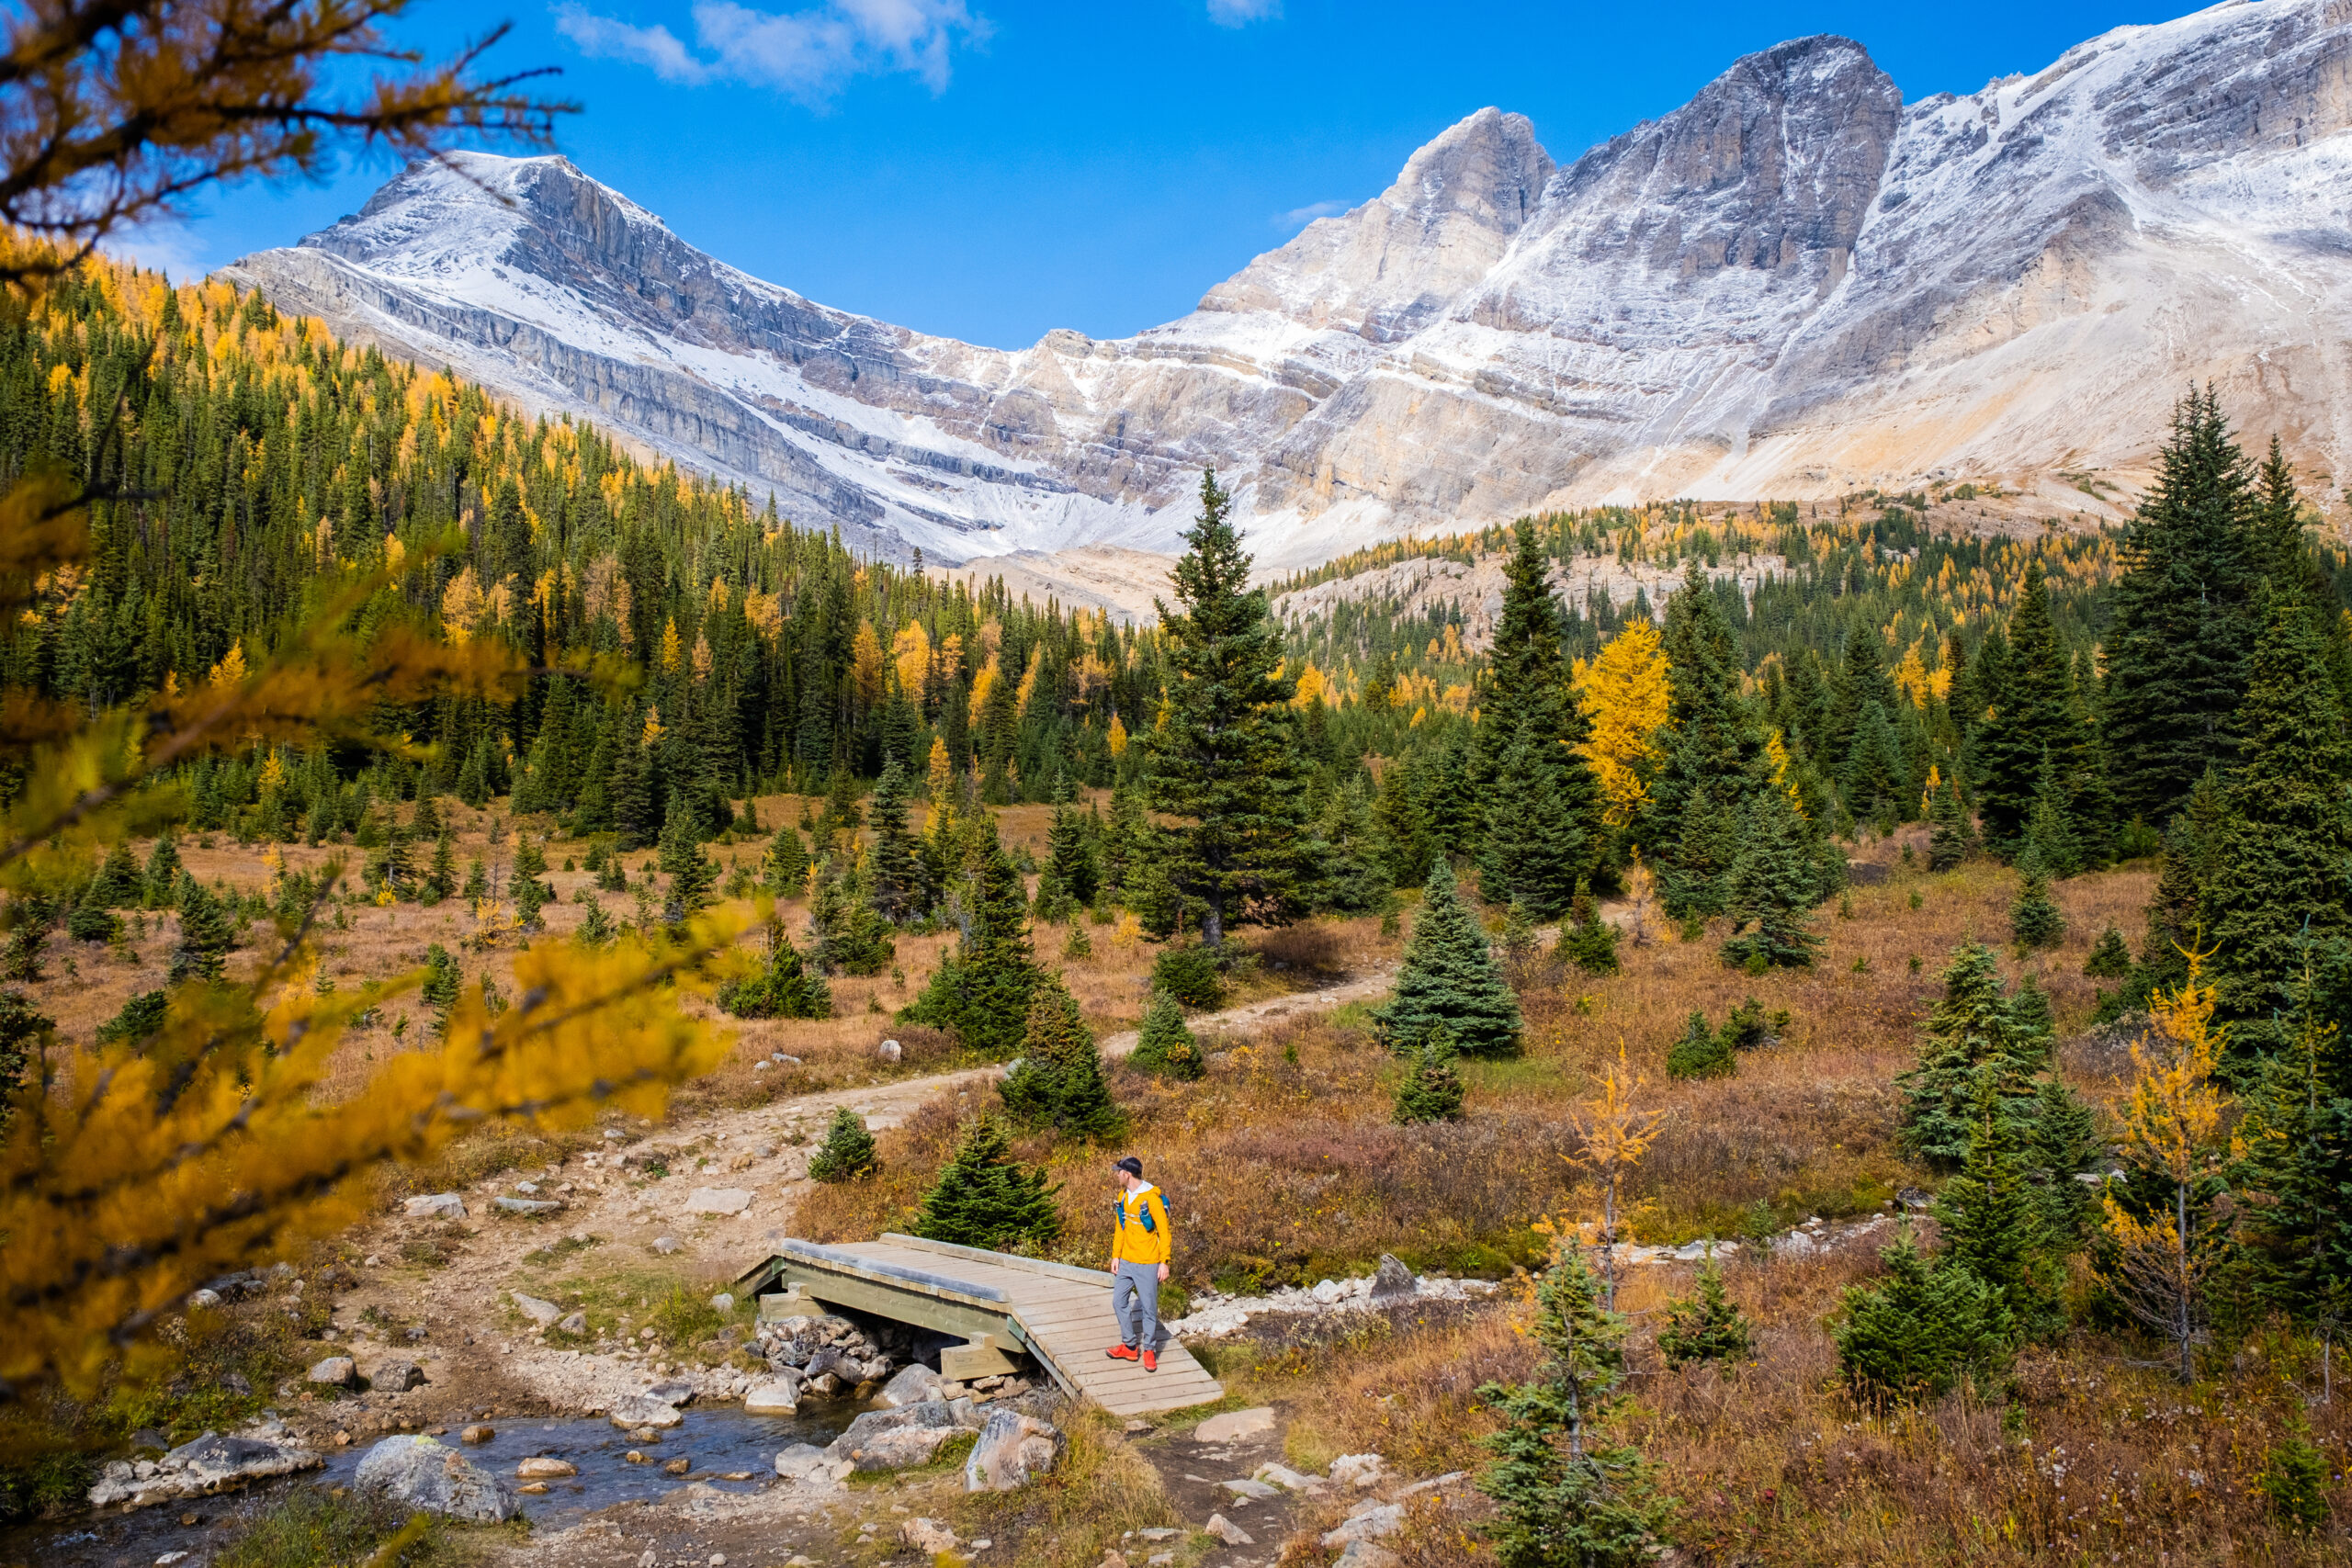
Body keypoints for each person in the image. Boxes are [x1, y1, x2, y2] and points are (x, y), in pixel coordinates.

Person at [1105, 1154, 1171, 1372]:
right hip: (1126, 1261)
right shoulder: (1123, 1196)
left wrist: (1164, 1262)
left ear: (1128, 1174)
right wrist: (1116, 1256)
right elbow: (1120, 1228)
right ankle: (1130, 1345)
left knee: (1149, 1309)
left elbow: (1164, 1231)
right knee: (1119, 1302)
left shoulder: (1151, 1198)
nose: (1117, 1175)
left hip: (1148, 1262)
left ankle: (1150, 1350)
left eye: (1119, 1172)